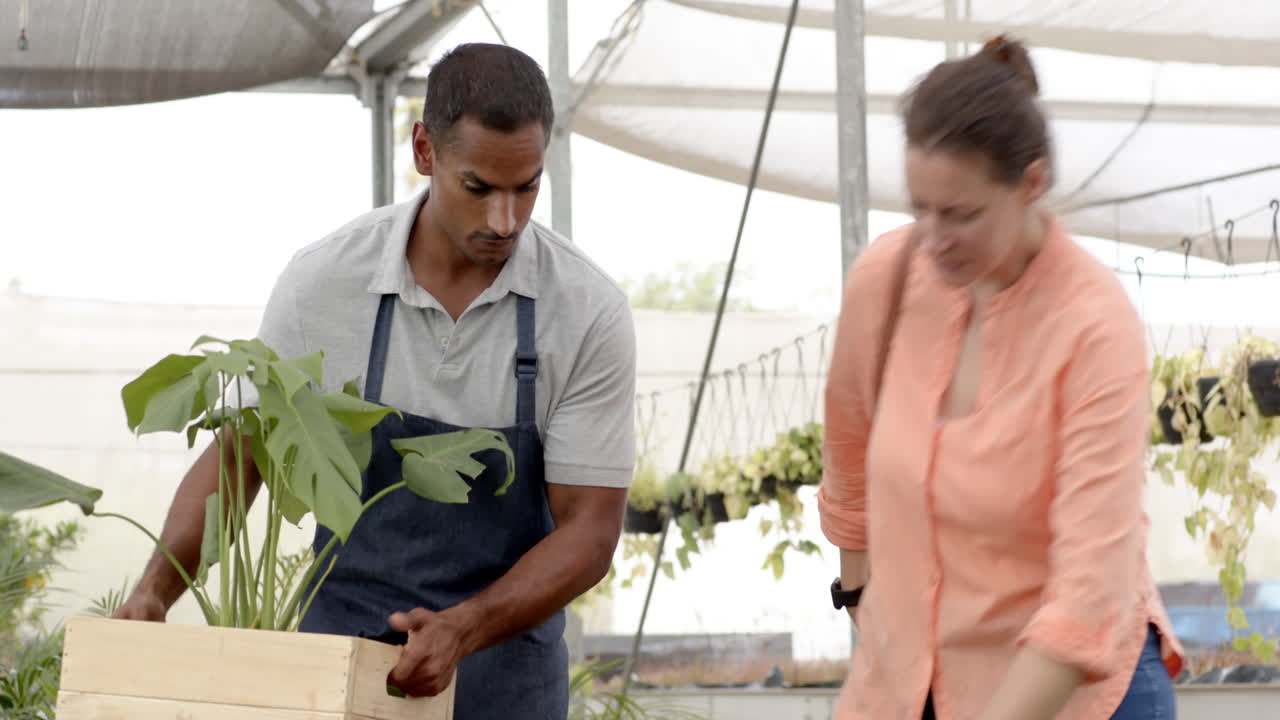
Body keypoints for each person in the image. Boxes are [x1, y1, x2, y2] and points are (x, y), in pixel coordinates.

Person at [112, 43, 636, 719]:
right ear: (424, 149)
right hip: (336, 672)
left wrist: (465, 628)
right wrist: (158, 588)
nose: (504, 220)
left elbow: (590, 531)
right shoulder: (326, 284)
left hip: (503, 675)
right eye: (478, 187)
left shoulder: (586, 310)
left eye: (526, 186)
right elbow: (243, 456)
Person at [818, 36, 1185, 720]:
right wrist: (867, 614)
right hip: (906, 686)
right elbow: (849, 470)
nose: (933, 238)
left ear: (1031, 185)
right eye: (919, 208)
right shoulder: (888, 280)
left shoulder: (1095, 329)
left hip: (1067, 692)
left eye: (961, 214)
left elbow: (1085, 597)